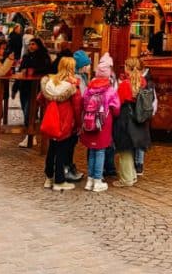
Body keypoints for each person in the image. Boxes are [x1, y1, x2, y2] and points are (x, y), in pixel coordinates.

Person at [39, 56, 82, 190]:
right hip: (66, 121)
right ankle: (59, 181)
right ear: (72, 68)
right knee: (62, 151)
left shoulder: (50, 82)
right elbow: (77, 107)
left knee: (52, 149)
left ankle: (48, 178)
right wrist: (78, 124)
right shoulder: (72, 86)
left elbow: (39, 98)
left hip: (52, 120)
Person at [80, 56, 120, 193]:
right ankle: (97, 180)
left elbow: (83, 103)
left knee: (92, 150)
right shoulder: (110, 90)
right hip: (103, 123)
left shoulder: (89, 88)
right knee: (101, 151)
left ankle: (90, 180)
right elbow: (116, 108)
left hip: (89, 122)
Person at [112, 58, 152, 187]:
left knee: (125, 151)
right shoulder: (143, 82)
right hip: (139, 121)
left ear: (127, 68)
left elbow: (117, 104)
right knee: (132, 149)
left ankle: (126, 179)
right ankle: (133, 175)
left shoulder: (125, 84)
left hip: (126, 119)